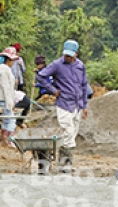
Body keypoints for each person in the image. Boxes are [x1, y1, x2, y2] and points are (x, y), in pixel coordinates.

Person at [36, 39, 89, 170]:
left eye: (70, 55)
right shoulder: (57, 64)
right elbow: (41, 76)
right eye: (66, 55)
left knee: (73, 132)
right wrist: (53, 90)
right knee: (68, 131)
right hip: (64, 103)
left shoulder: (80, 66)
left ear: (76, 54)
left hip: (77, 104)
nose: (68, 57)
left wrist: (84, 105)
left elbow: (83, 85)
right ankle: (65, 164)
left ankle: (64, 161)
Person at [0, 46, 19, 147]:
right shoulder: (4, 69)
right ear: (8, 59)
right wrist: (10, 101)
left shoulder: (4, 69)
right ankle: (10, 140)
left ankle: (4, 138)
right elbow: (6, 86)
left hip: (5, 98)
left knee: (6, 119)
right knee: (11, 119)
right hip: (5, 98)